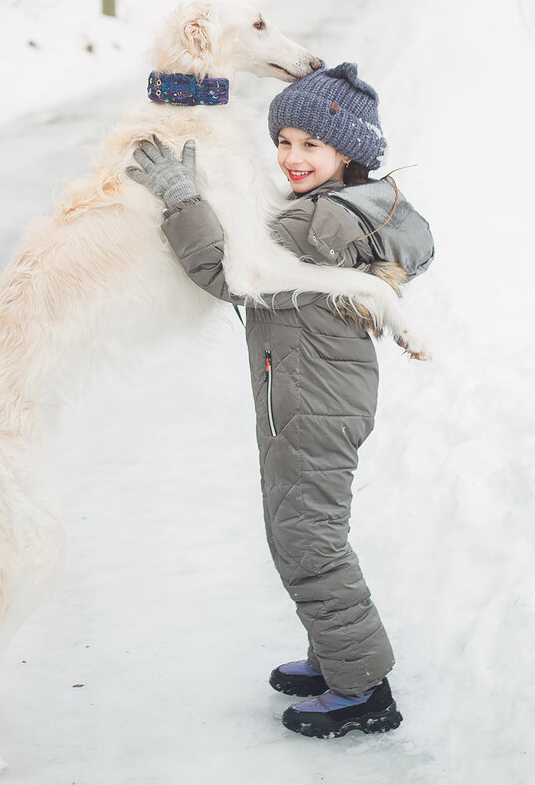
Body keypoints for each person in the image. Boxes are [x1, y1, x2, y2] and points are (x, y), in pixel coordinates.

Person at [126, 61, 434, 739]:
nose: (292, 158)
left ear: (345, 152)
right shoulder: (351, 203)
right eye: (285, 140)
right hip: (319, 393)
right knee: (301, 533)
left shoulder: (310, 223)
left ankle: (362, 690)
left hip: (311, 402)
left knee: (308, 541)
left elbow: (224, 269)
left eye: (310, 146)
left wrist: (181, 198)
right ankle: (337, 655)